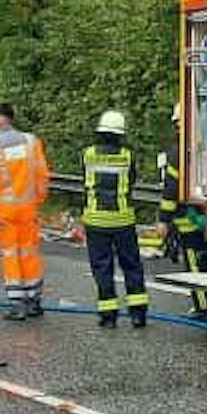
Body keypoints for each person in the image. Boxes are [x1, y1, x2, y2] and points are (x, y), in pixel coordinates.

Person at [0, 102, 49, 320]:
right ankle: (34, 300)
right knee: (29, 253)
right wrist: (38, 199)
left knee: (11, 255)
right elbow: (42, 175)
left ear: (0, 118)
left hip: (5, 211)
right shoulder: (32, 142)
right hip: (28, 209)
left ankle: (17, 304)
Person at [80, 109, 148, 328]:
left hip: (96, 220)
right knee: (131, 265)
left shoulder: (88, 154)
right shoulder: (128, 156)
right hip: (123, 220)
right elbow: (133, 181)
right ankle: (138, 314)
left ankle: (108, 316)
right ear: (121, 134)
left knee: (102, 268)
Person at [157, 128, 207, 323]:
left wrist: (164, 219)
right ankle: (205, 304)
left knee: (195, 267)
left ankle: (204, 309)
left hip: (188, 220)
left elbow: (171, 189)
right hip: (203, 217)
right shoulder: (203, 146)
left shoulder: (178, 152)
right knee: (204, 263)